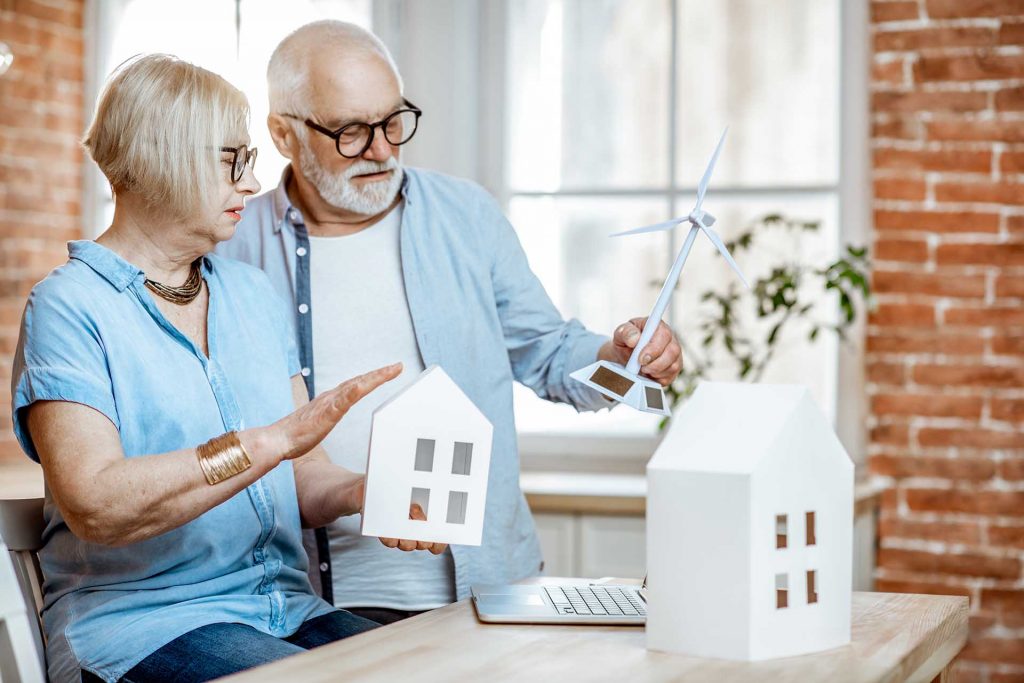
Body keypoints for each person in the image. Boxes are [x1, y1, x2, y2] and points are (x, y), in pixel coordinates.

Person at [218, 20, 682, 624]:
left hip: (484, 588)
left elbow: (548, 353)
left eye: (393, 121)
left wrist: (623, 361)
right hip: (307, 604)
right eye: (353, 132)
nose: (383, 149)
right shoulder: (229, 246)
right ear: (284, 134)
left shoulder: (466, 215)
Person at [10, 54, 442, 683]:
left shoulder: (251, 294)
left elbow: (299, 478)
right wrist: (267, 442)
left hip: (283, 611)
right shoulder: (69, 305)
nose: (250, 182)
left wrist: (361, 493)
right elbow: (96, 505)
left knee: (439, 669)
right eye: (233, 160)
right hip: (144, 625)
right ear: (166, 155)